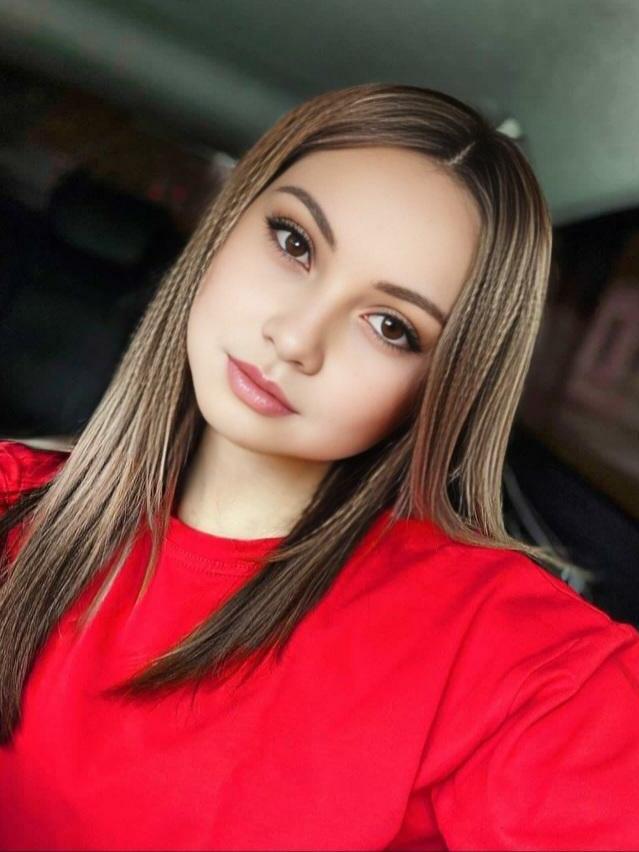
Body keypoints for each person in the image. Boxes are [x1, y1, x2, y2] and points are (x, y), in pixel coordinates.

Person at [0, 82, 637, 851]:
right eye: (294, 243)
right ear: (225, 223)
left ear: (441, 387)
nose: (297, 338)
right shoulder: (12, 502)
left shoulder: (499, 651)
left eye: (390, 326)